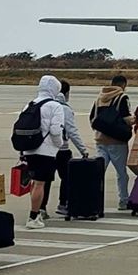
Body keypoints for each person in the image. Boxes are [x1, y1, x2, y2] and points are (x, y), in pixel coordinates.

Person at [23, 75, 64, 229]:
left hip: (29, 149)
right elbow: (55, 130)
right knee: (41, 183)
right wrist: (59, 145)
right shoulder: (55, 106)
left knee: (34, 182)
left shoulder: (30, 104)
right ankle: (33, 216)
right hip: (45, 150)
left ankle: (36, 212)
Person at [90, 75, 134, 211]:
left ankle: (94, 200)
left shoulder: (99, 97)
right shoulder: (122, 97)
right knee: (121, 173)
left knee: (98, 173)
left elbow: (92, 118)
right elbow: (126, 118)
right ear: (123, 85)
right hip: (117, 141)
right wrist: (134, 120)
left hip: (100, 140)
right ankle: (123, 201)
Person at [53, 80, 89, 217]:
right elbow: (72, 131)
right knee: (67, 178)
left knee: (42, 181)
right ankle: (63, 204)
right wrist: (83, 150)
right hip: (62, 149)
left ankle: (40, 208)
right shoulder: (64, 108)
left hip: (45, 150)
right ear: (66, 93)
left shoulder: (41, 104)